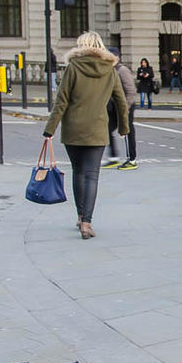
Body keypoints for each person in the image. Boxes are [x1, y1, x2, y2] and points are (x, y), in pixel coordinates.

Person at [43, 32, 128, 240]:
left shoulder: (73, 67)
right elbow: (121, 101)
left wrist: (50, 129)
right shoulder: (109, 69)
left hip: (73, 128)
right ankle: (87, 222)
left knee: (78, 173)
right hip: (97, 129)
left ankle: (80, 216)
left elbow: (61, 101)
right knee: (92, 175)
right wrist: (124, 128)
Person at [109, 48, 139, 171]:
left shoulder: (122, 70)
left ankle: (132, 159)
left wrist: (125, 108)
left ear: (117, 57)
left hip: (126, 106)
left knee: (127, 131)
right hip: (114, 106)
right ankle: (113, 157)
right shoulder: (111, 70)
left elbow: (131, 91)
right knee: (107, 129)